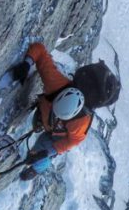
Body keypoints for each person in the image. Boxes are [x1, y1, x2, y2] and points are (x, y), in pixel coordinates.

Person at [8, 42, 120, 180]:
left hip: (57, 134)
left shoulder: (80, 123)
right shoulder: (56, 85)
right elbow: (40, 50)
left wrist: (50, 151)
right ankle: (42, 148)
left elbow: (73, 141)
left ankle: (37, 169)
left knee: (41, 149)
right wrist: (26, 64)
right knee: (41, 144)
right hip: (48, 119)